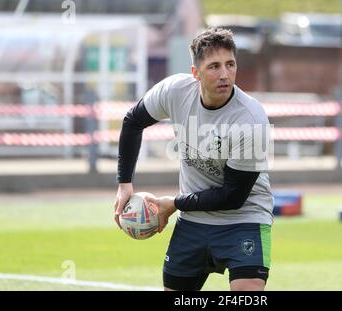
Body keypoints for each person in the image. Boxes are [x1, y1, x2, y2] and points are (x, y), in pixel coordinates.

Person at [113, 27, 273, 291]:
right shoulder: (175, 91)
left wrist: (173, 203)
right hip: (194, 220)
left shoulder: (250, 120)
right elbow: (132, 121)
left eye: (230, 64)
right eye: (214, 66)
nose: (224, 74)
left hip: (244, 218)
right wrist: (124, 183)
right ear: (195, 73)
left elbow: (233, 197)